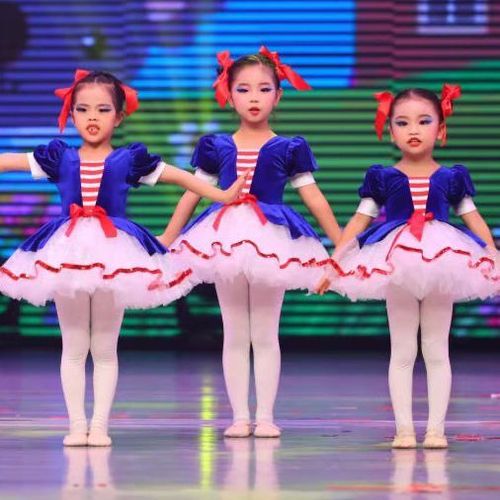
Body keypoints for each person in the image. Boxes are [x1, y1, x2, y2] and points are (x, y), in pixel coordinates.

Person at [0, 70, 245, 446]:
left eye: (103, 109)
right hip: (66, 251)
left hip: (115, 253)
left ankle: (99, 425)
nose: (92, 117)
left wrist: (224, 196)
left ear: (119, 116)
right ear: (71, 113)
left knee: (103, 348)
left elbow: (181, 178)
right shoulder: (59, 157)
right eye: (83, 109)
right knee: (73, 346)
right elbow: (7, 161)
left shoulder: (129, 160)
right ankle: (76, 425)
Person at [159, 47, 342, 438]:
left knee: (265, 333)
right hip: (224, 237)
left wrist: (342, 244)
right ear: (229, 95)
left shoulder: (289, 148)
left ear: (278, 95)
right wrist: (168, 237)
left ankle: (266, 416)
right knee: (235, 332)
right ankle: (240, 416)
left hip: (271, 239)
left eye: (264, 89)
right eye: (243, 89)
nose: (254, 97)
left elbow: (313, 198)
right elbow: (192, 194)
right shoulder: (216, 147)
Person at [317, 85, 498, 448]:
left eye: (424, 121)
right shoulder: (383, 177)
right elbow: (359, 222)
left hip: (443, 259)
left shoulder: (452, 177)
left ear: (441, 129)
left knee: (436, 350)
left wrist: (493, 253)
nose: (413, 130)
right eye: (402, 122)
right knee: (402, 351)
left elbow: (473, 218)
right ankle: (404, 429)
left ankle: (436, 430)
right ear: (391, 131)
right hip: (396, 260)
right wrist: (335, 261)